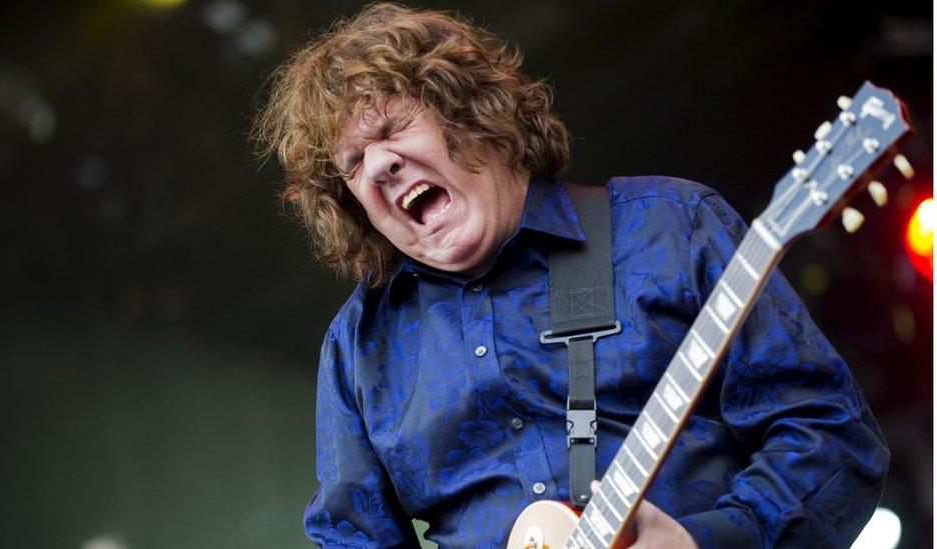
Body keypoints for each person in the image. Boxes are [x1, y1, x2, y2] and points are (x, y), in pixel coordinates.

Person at [252, 3, 888, 547]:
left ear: (470, 113)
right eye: (354, 163)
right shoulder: (360, 347)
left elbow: (832, 436)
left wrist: (710, 540)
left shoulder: (669, 226)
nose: (380, 166)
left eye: (392, 128)